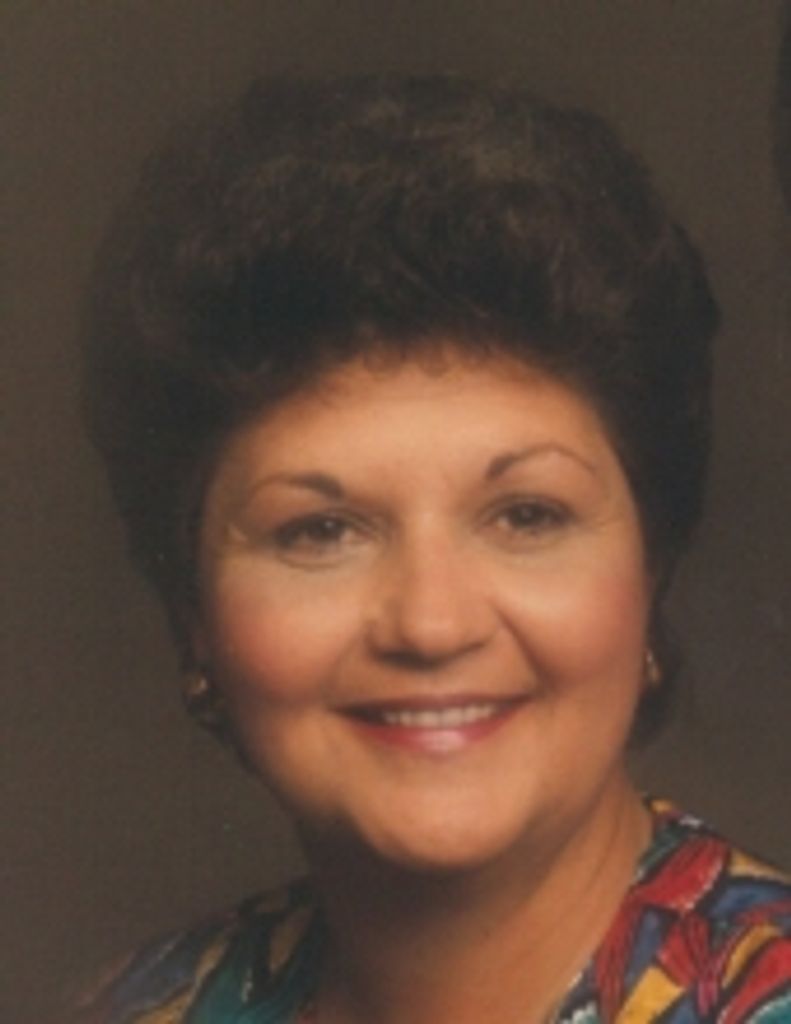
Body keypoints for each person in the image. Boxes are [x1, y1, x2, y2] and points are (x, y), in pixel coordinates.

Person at [75, 75, 791, 1023]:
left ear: (648, 572)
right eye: (319, 531)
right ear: (194, 616)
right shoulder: (140, 1006)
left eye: (526, 516)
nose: (430, 623)